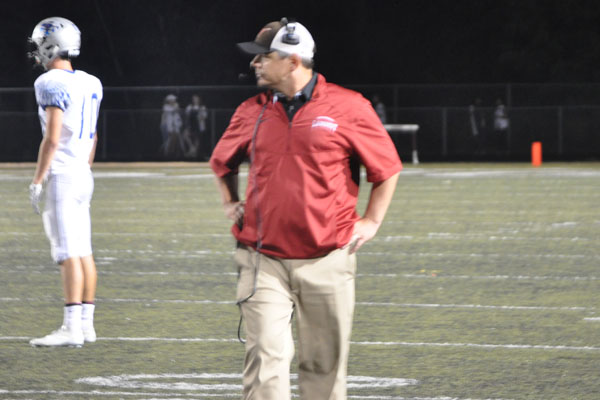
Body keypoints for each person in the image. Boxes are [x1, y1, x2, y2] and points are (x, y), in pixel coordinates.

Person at [209, 18, 402, 399]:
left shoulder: (348, 106)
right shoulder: (251, 109)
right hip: (263, 258)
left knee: (324, 366)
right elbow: (222, 162)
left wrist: (372, 221)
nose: (255, 64)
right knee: (265, 358)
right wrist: (230, 202)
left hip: (328, 257)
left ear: (293, 60)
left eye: (264, 57)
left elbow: (387, 167)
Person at [27, 17, 102, 347]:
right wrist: (83, 167)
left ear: (49, 45)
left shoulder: (49, 82)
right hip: (83, 174)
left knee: (68, 252)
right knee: (84, 251)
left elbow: (52, 138)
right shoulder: (91, 82)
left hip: (64, 177)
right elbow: (94, 134)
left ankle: (71, 327)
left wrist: (38, 180)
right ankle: (86, 325)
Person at [184, 94, 209, 160]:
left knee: (197, 139)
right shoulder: (189, 107)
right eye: (194, 99)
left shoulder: (202, 107)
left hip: (199, 126)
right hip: (191, 126)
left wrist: (198, 116)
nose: (195, 100)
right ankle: (192, 149)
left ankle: (194, 153)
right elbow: (187, 117)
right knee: (185, 135)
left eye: (197, 98)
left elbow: (204, 117)